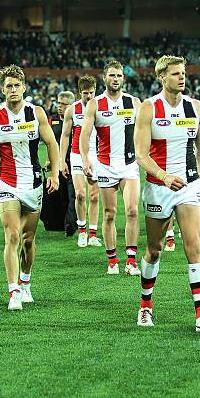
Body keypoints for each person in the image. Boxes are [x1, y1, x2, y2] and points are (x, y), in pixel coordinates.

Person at [134, 55, 200, 333]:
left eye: (183, 73)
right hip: (158, 188)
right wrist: (164, 176)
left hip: (189, 186)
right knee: (155, 250)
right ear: (162, 77)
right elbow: (141, 155)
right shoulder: (148, 108)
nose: (181, 77)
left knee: (194, 247)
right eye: (175, 74)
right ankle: (145, 306)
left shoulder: (195, 108)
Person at [0, 65, 60, 310]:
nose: (13, 90)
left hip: (33, 183)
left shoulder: (36, 113)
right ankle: (13, 291)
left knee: (28, 240)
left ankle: (25, 282)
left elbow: (52, 143)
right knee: (12, 235)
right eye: (8, 86)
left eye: (17, 85)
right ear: (2, 90)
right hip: (7, 183)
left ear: (24, 87)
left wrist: (54, 173)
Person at [80, 61, 142, 275]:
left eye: (119, 75)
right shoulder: (95, 104)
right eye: (112, 75)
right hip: (105, 165)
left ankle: (131, 261)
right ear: (104, 78)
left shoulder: (134, 102)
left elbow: (145, 132)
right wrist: (86, 159)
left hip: (129, 164)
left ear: (123, 78)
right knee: (109, 214)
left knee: (133, 211)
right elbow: (85, 134)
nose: (116, 79)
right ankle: (113, 260)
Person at [60, 75, 102, 248]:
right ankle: (82, 230)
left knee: (93, 196)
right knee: (80, 194)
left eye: (92, 93)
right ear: (79, 92)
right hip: (77, 155)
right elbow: (65, 135)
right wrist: (62, 161)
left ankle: (93, 234)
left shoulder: (100, 107)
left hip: (97, 155)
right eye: (85, 93)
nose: (89, 96)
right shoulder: (72, 110)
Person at [44, 91, 77, 236]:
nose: (59, 106)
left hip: (74, 161)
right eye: (58, 103)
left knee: (73, 194)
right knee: (61, 195)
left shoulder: (77, 119)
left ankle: (71, 224)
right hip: (58, 162)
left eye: (63, 104)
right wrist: (49, 160)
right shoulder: (52, 120)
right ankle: (60, 222)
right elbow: (50, 143)